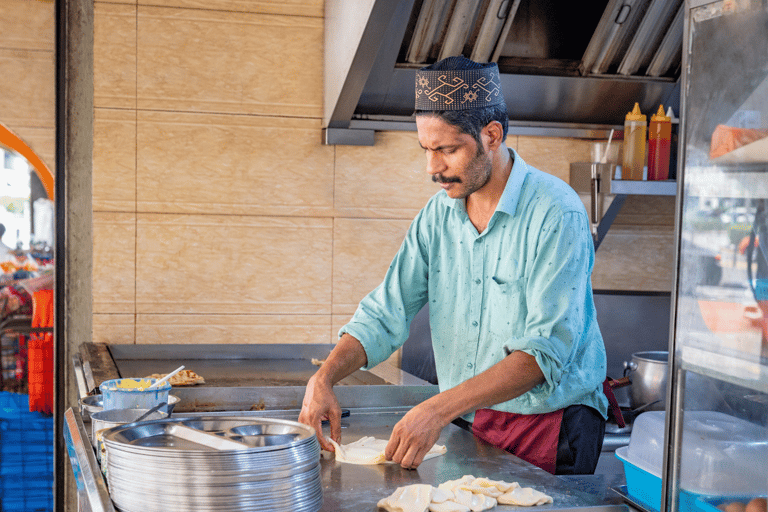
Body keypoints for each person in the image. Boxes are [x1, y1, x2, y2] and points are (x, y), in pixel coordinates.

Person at [298, 56, 608, 475]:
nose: (433, 168)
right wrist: (325, 378)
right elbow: (386, 312)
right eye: (427, 150)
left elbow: (542, 354)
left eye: (447, 150)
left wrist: (437, 409)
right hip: (470, 420)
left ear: (491, 135)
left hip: (548, 426)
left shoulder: (556, 214)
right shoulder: (436, 217)